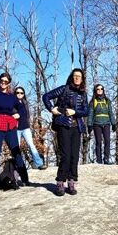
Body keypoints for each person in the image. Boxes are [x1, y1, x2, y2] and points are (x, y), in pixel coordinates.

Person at [43, 68, 88, 196]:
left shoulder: (83, 93)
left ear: (82, 79)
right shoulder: (64, 88)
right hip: (63, 125)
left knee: (74, 156)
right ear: (71, 77)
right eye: (75, 76)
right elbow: (46, 96)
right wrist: (51, 109)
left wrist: (75, 112)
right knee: (66, 155)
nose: (77, 78)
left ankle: (72, 181)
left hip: (77, 127)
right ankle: (60, 182)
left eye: (79, 76)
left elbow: (86, 111)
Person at [14, 86, 46, 169]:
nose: (19, 94)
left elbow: (27, 115)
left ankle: (39, 164)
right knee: (16, 147)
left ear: (23, 94)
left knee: (31, 145)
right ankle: (17, 166)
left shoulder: (25, 102)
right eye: (17, 92)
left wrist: (29, 123)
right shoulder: (12, 102)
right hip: (16, 128)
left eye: (21, 93)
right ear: (15, 93)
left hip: (25, 127)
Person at [87, 84, 116, 164]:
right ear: (95, 91)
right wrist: (89, 125)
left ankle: (106, 159)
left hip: (106, 123)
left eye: (101, 89)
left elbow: (110, 112)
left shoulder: (107, 101)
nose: (100, 90)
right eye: (98, 89)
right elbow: (90, 114)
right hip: (97, 123)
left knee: (107, 141)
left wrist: (113, 123)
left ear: (103, 90)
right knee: (98, 142)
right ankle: (99, 160)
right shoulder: (93, 101)